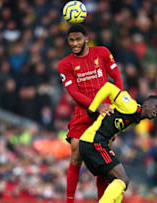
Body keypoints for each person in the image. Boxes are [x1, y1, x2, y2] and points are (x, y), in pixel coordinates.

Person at [58, 24, 124, 202]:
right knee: (76, 151)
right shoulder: (65, 64)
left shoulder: (102, 52)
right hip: (84, 113)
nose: (74, 43)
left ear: (86, 38)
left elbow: (117, 77)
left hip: (106, 113)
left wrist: (120, 101)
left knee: (100, 158)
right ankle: (69, 199)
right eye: (71, 40)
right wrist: (96, 106)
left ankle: (101, 199)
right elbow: (74, 93)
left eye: (78, 39)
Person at [79, 82, 157, 203]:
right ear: (146, 103)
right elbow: (109, 87)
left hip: (93, 143)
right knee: (122, 179)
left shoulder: (136, 119)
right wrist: (92, 109)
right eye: (156, 106)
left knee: (119, 182)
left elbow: (113, 127)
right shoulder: (130, 105)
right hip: (93, 142)